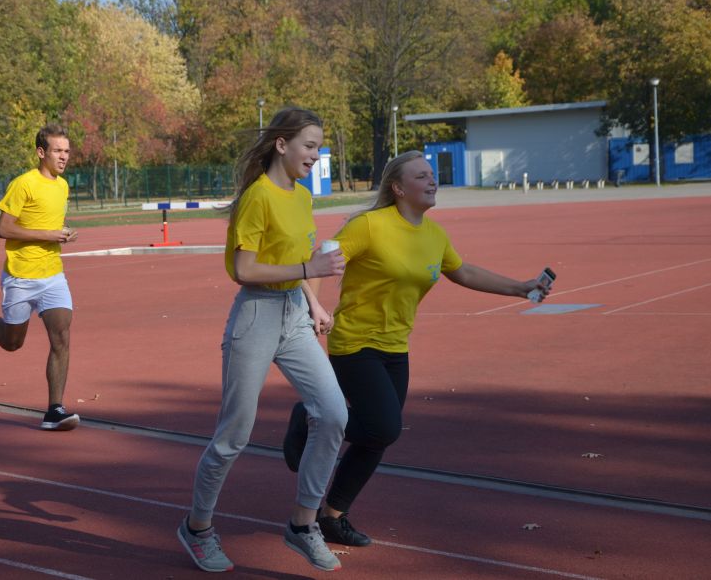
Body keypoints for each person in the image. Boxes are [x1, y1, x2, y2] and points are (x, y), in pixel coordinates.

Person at [282, 150, 553, 547]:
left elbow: (462, 271)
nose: (432, 180)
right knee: (383, 426)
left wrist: (521, 286)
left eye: (433, 175)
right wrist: (315, 308)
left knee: (377, 437)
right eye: (422, 176)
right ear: (398, 187)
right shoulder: (371, 226)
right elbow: (322, 257)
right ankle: (308, 416)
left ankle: (332, 516)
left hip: (395, 348)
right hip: (355, 343)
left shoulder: (434, 235)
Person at [177, 108, 348, 573]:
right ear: (282, 145)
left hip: (294, 312)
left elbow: (296, 259)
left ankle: (302, 524)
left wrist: (313, 300)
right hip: (255, 314)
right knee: (235, 434)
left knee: (334, 413)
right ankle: (197, 528)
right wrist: (309, 270)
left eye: (318, 146)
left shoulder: (301, 196)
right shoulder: (258, 197)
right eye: (309, 145)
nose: (316, 154)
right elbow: (244, 269)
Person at [0, 124, 80, 431]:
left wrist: (60, 236)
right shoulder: (23, 184)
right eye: (57, 151)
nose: (64, 157)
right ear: (41, 152)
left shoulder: (62, 186)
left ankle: (54, 410)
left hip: (53, 276)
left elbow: (46, 224)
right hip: (20, 277)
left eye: (67, 151)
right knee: (13, 343)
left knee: (61, 337)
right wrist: (49, 233)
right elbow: (4, 229)